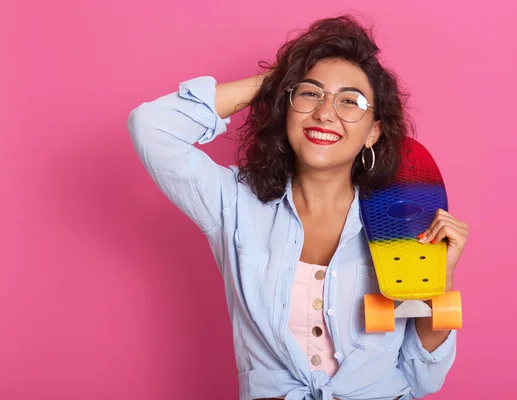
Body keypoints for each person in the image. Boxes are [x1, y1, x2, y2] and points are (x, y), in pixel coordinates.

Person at [127, 15, 468, 400]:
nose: (325, 113)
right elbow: (151, 127)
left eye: (350, 101)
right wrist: (278, 80)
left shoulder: (399, 218)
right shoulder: (233, 202)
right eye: (309, 93)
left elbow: (425, 378)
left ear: (374, 130)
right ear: (285, 106)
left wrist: (439, 282)